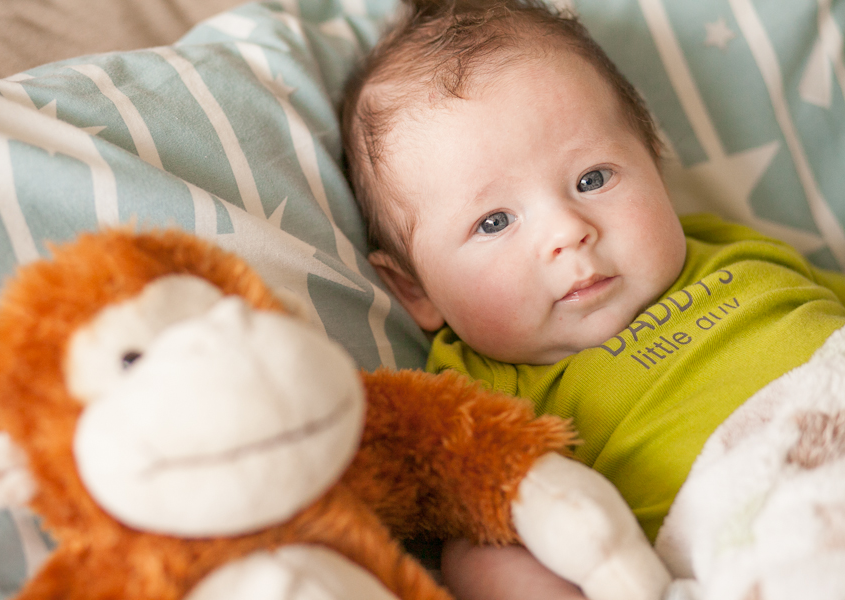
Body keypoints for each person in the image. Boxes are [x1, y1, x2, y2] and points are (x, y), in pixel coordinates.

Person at [340, 0, 845, 598]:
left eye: (592, 179)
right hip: (769, 528)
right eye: (495, 221)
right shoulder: (484, 389)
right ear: (415, 289)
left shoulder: (731, 247)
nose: (567, 232)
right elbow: (487, 544)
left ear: (653, 160)